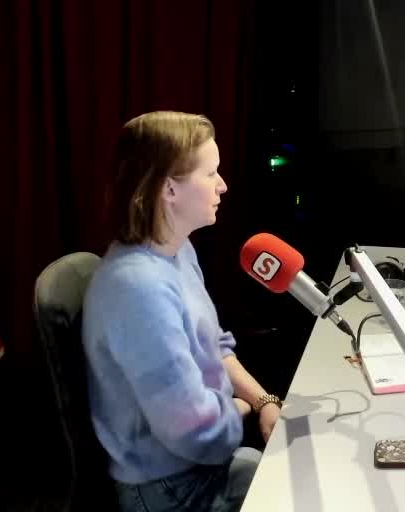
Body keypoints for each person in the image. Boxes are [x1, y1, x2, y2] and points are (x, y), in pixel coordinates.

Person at [82, 111, 280, 512]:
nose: (222, 185)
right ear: (169, 189)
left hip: (199, 464)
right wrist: (240, 409)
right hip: (169, 489)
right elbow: (197, 432)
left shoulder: (177, 251)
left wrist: (264, 401)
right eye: (210, 174)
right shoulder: (138, 289)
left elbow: (214, 346)